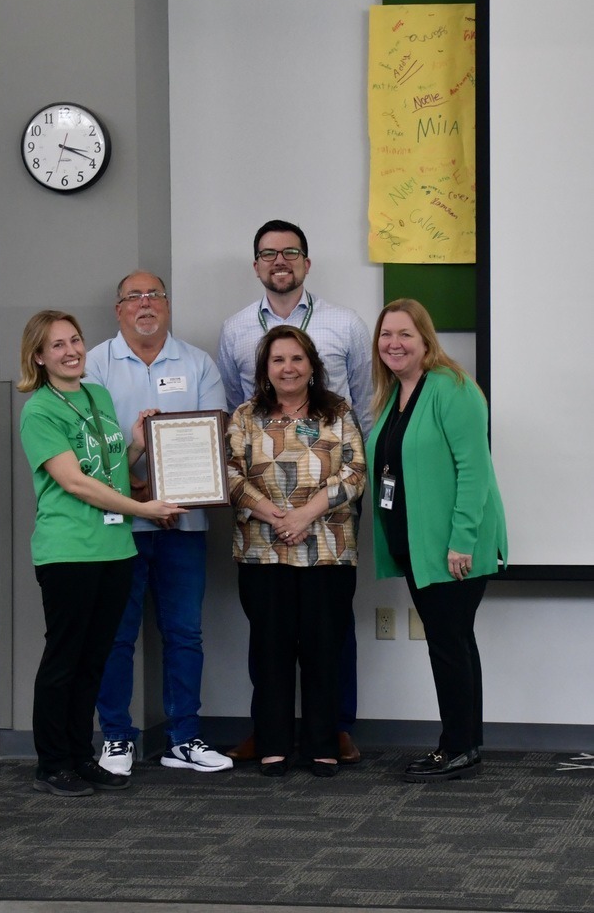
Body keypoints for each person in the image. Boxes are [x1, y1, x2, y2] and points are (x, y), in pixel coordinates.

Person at [217, 218, 372, 763]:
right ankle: (274, 737)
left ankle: (332, 734)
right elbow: (230, 466)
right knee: (270, 647)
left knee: (329, 643)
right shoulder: (236, 332)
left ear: (306, 261)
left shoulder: (346, 327)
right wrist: (271, 512)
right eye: (268, 254)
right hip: (263, 543)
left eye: (290, 253)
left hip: (327, 539)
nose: (279, 262)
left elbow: (358, 455)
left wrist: (306, 514)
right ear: (256, 264)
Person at [18, 310, 185, 797]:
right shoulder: (39, 410)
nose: (71, 351)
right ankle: (52, 763)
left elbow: (108, 470)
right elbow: (74, 483)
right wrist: (143, 507)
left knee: (94, 660)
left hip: (115, 548)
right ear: (39, 357)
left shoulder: (98, 394)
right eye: (57, 346)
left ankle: (80, 756)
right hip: (69, 550)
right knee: (64, 659)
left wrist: (134, 445)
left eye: (75, 340)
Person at [84, 270, 233, 774]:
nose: (145, 303)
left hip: (182, 527)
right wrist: (137, 490)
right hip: (117, 526)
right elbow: (92, 454)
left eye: (154, 295)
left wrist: (173, 496)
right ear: (118, 308)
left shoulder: (198, 364)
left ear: (166, 305)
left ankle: (184, 737)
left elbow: (214, 446)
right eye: (134, 296)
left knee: (184, 634)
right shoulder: (94, 366)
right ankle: (117, 738)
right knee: (116, 636)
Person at [365, 299, 508, 782]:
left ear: (426, 338)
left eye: (404, 334)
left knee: (448, 644)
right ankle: (465, 743)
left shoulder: (453, 388)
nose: (394, 344)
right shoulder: (394, 395)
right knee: (453, 641)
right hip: (416, 543)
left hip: (453, 546)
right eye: (386, 335)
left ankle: (457, 748)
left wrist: (461, 540)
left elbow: (475, 472)